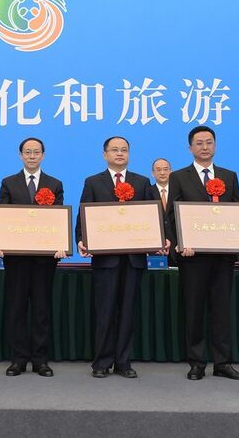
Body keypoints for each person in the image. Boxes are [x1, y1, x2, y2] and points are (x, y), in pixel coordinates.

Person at [76, 136, 166, 378]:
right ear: (104, 154)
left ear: (129, 154)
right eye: (114, 150)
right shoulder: (93, 182)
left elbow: (153, 216)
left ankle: (124, 362)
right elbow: (83, 216)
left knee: (128, 312)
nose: (119, 153)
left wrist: (160, 238)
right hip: (106, 260)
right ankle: (102, 362)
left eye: (124, 150)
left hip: (133, 259)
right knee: (105, 312)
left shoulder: (142, 182)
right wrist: (81, 239)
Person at [167, 126, 239, 381]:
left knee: (222, 310)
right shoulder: (178, 177)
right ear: (190, 147)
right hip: (193, 257)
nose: (205, 147)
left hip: (223, 257)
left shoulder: (229, 176)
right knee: (194, 310)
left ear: (215, 145)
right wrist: (180, 243)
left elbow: (238, 212)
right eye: (199, 143)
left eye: (209, 142)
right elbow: (171, 215)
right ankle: (196, 362)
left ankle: (223, 363)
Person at [0, 137, 65, 377]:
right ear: (20, 155)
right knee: (16, 309)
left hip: (44, 260)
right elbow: (3, 217)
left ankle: (40, 360)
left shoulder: (54, 184)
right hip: (16, 260)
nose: (32, 156)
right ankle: (18, 359)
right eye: (27, 152)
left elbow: (58, 219)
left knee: (42, 310)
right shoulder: (8, 183)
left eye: (36, 152)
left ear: (43, 155)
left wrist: (61, 244)